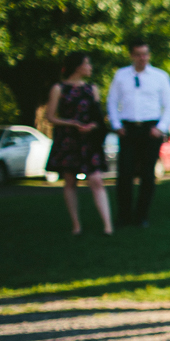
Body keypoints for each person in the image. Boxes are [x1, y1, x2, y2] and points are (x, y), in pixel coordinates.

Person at [106, 40, 170, 228]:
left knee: (148, 174)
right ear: (131, 55)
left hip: (151, 129)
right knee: (125, 173)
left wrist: (161, 127)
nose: (142, 58)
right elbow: (112, 101)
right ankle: (124, 215)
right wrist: (116, 124)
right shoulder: (121, 76)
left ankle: (142, 215)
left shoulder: (159, 76)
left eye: (145, 54)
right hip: (128, 128)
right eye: (138, 54)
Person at [45, 53, 113, 236]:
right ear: (78, 67)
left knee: (96, 179)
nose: (90, 67)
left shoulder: (92, 88)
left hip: (89, 140)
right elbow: (50, 117)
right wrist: (72, 123)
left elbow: (99, 116)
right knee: (70, 180)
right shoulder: (59, 88)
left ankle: (108, 226)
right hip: (68, 140)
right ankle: (76, 225)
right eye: (87, 64)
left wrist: (93, 126)